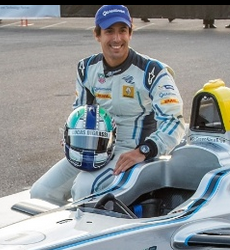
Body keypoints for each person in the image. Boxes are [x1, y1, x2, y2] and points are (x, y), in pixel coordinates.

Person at [30, 5, 186, 206]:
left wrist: (144, 150)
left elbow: (175, 122)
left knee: (84, 189)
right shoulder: (86, 68)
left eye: (122, 31)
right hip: (93, 149)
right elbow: (80, 112)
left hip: (133, 151)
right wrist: (72, 135)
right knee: (41, 192)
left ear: (131, 33)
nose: (117, 39)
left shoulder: (153, 71)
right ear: (97, 35)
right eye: (109, 31)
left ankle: (88, 233)